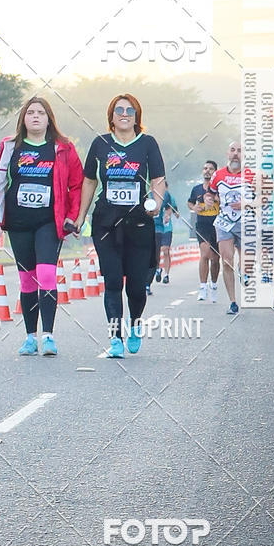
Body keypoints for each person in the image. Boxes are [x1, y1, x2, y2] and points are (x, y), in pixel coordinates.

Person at [0, 97, 83, 355]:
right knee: (27, 281)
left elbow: (76, 185)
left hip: (49, 222)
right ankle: (30, 337)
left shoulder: (63, 148)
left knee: (47, 275)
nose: (36, 116)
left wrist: (73, 217)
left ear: (49, 118)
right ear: (23, 119)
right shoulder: (9, 146)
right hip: (18, 223)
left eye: (41, 112)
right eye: (30, 113)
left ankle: (48, 336)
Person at [74, 94, 165, 358]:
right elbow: (89, 181)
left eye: (130, 110)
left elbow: (158, 178)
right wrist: (81, 216)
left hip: (138, 223)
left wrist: (155, 202)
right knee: (113, 281)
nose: (124, 114)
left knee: (136, 286)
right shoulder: (100, 144)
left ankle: (135, 325)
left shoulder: (147, 144)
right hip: (106, 223)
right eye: (119, 110)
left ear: (137, 116)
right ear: (111, 116)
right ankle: (115, 339)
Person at [209, 142, 254, 315]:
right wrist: (208, 200)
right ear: (227, 153)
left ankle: (246, 273)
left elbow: (263, 199)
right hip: (224, 221)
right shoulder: (218, 175)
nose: (236, 154)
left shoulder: (252, 175)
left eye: (240, 151)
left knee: (246, 263)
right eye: (233, 150)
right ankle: (233, 302)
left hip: (247, 221)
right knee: (226, 261)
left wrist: (246, 203)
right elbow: (211, 194)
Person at [188, 160, 220, 302]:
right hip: (202, 225)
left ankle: (213, 285)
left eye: (211, 169)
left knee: (215, 259)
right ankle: (202, 287)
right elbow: (190, 202)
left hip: (218, 226)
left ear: (215, 172)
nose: (207, 171)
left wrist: (216, 199)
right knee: (205, 254)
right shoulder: (196, 189)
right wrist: (194, 208)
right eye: (205, 168)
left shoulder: (219, 188)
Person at [153, 181, 179, 284]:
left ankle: (167, 274)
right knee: (156, 251)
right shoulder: (151, 196)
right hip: (156, 227)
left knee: (165, 250)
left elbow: (175, 212)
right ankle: (158, 269)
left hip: (167, 228)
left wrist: (169, 214)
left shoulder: (169, 197)